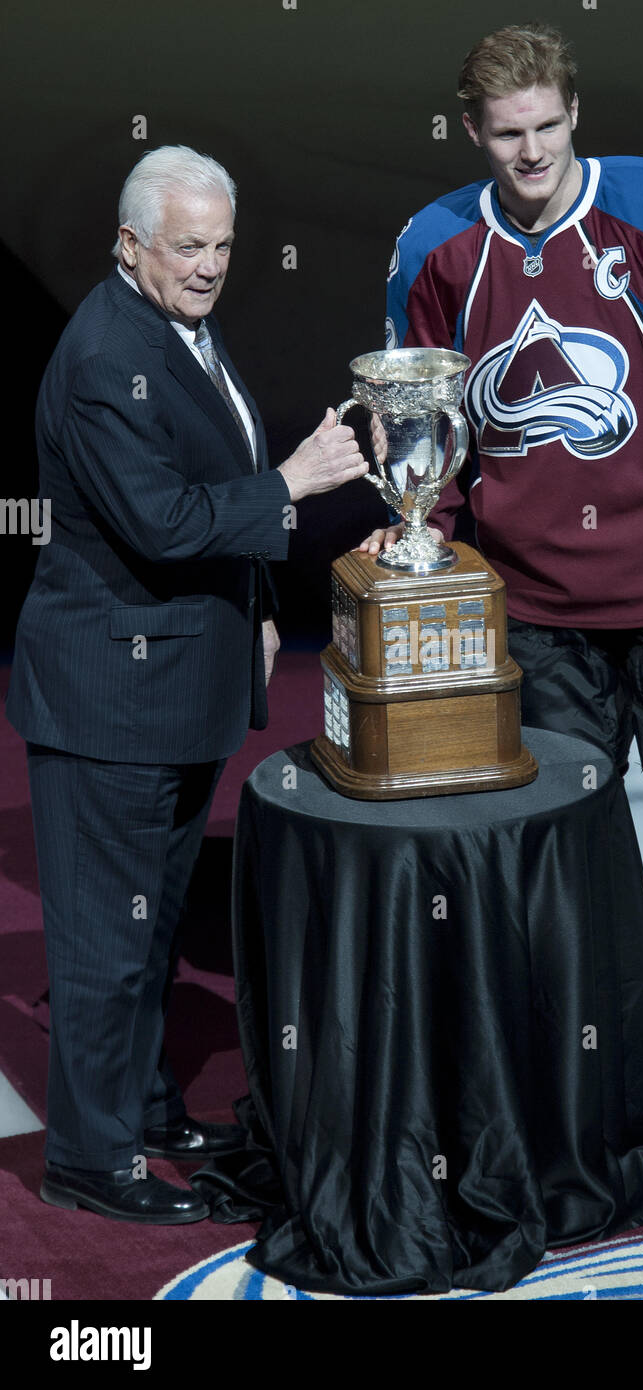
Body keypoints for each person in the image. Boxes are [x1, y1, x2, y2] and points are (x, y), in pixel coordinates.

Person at [365, 24, 643, 1144]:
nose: (530, 153)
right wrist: (434, 553)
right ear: (474, 130)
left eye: (549, 129)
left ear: (577, 115)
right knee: (554, 829)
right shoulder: (433, 248)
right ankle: (574, 1035)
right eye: (508, 134)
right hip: (535, 604)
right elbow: (428, 419)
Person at [6, 145, 367, 1222]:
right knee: (105, 941)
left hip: (177, 684)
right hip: (109, 700)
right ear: (129, 245)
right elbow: (161, 522)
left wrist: (256, 605)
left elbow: (205, 484)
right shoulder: (101, 354)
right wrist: (292, 483)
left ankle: (147, 1109)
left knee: (151, 926)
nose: (210, 267)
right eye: (188, 247)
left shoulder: (177, 331)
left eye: (221, 246)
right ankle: (90, 1159)